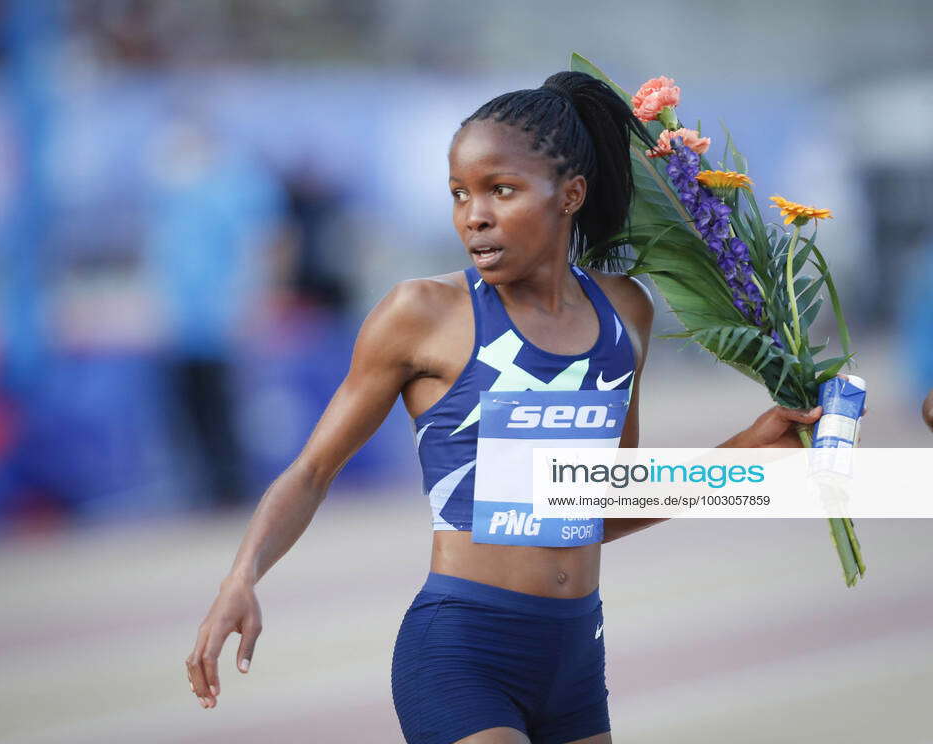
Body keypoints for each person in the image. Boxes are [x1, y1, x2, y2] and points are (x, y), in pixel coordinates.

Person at [184, 71, 824, 744]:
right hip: (462, 651)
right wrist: (241, 576)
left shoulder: (625, 314)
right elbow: (312, 470)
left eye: (502, 190)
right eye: (459, 194)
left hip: (576, 660)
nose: (474, 216)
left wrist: (744, 453)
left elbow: (598, 506)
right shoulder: (423, 315)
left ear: (570, 195)